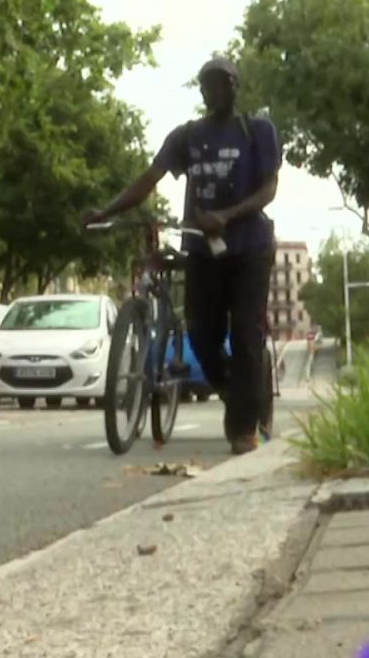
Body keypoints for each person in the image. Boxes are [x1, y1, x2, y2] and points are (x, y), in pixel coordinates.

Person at [83, 57, 280, 455]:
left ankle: (243, 427)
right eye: (206, 85)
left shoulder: (256, 131)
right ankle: (238, 393)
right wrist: (105, 211)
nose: (213, 91)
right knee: (202, 335)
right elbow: (148, 179)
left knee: (245, 333)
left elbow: (268, 189)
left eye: (220, 83)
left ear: (234, 87)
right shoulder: (187, 136)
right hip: (202, 250)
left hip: (249, 250)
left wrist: (226, 215)